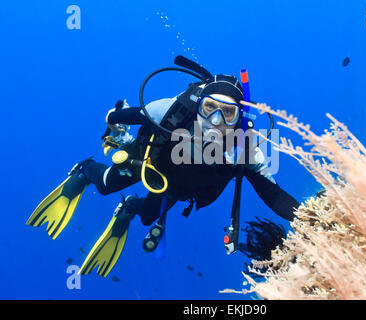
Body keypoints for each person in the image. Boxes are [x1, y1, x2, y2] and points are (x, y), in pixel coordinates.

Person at [26, 56, 299, 277]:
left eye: (227, 113)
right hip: (149, 162)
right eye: (210, 108)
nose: (216, 119)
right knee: (107, 185)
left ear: (238, 119)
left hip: (173, 187)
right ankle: (85, 171)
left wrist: (307, 218)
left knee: (146, 217)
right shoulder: (172, 111)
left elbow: (272, 194)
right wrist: (113, 122)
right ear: (198, 105)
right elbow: (124, 114)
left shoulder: (244, 149)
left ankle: (129, 208)